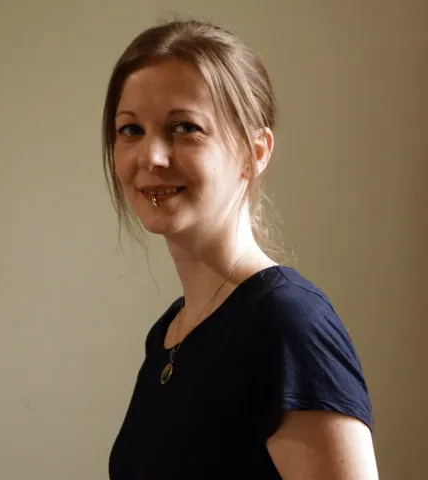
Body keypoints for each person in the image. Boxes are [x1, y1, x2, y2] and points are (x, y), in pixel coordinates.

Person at [103, 19, 378, 480]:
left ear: (256, 151)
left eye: (184, 127)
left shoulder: (288, 325)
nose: (150, 157)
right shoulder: (169, 335)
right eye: (131, 130)